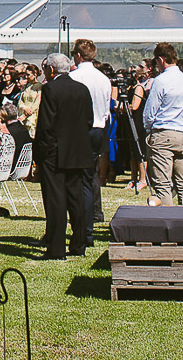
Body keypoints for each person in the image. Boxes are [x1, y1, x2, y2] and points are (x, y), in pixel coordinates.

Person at [35, 53, 95, 258]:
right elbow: (89, 120)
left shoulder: (50, 89)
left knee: (55, 201)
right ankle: (79, 244)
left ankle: (56, 248)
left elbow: (46, 125)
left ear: (51, 70)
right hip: (77, 151)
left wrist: (41, 152)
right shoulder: (82, 89)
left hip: (54, 152)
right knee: (76, 198)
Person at [138, 41, 183, 205]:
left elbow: (150, 112)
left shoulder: (161, 81)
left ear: (161, 60)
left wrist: (149, 129)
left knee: (163, 186)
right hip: (182, 133)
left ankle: (166, 221)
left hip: (163, 133)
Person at [70, 39, 112, 223]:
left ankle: (82, 211)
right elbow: (106, 109)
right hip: (98, 128)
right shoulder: (103, 79)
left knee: (77, 174)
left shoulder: (74, 77)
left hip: (79, 129)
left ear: (78, 56)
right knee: (92, 171)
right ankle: (96, 210)